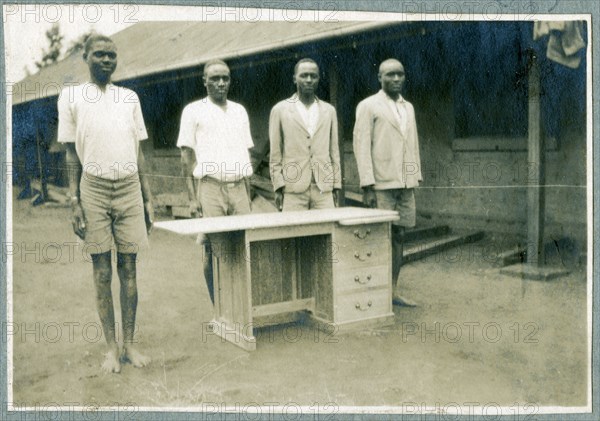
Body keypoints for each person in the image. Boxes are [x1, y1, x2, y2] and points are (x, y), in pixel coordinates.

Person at [58, 34, 153, 373]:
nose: (107, 60)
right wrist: (74, 200)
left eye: (112, 55)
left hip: (128, 187)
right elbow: (70, 153)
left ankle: (129, 345)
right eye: (99, 54)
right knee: (101, 273)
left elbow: (139, 150)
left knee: (129, 268)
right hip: (93, 189)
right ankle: (111, 349)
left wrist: (147, 196)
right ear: (86, 57)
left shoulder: (129, 97)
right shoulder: (71, 97)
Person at [177, 59, 254, 304]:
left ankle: (241, 308)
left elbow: (246, 153)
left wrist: (247, 193)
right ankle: (220, 309)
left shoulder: (240, 110)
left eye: (225, 78)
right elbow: (186, 157)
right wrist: (192, 199)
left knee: (244, 247)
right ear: (205, 81)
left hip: (240, 187)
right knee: (213, 250)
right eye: (215, 79)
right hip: (210, 188)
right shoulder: (193, 111)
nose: (221, 83)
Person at [353, 58, 422, 307]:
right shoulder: (368, 106)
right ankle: (374, 290)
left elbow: (412, 143)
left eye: (400, 74)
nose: (396, 79)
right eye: (390, 74)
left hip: (404, 184)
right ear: (379, 78)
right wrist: (367, 186)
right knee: (380, 237)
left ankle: (392, 291)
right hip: (381, 184)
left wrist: (414, 177)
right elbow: (361, 146)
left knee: (399, 236)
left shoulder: (408, 107)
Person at [269, 58, 341, 211]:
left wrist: (336, 184)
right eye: (304, 75)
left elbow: (334, 151)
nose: (309, 80)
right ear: (295, 78)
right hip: (293, 188)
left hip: (323, 187)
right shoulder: (280, 110)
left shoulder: (329, 110)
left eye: (313, 76)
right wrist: (278, 186)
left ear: (318, 79)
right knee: (294, 233)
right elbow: (275, 154)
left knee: (327, 231)